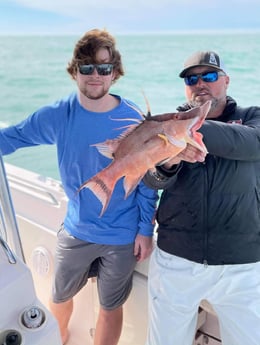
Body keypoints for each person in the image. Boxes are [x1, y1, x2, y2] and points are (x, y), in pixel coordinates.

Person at [0, 29, 158, 345]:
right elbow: (12, 137)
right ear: (75, 72)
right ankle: (57, 338)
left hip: (122, 235)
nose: (95, 75)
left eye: (104, 68)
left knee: (110, 307)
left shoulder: (134, 120)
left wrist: (143, 229)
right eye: (87, 68)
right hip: (77, 230)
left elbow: (147, 181)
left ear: (115, 73)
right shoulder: (60, 115)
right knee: (58, 298)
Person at [143, 50, 260, 345]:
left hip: (242, 264)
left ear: (226, 80)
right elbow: (151, 179)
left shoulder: (251, 118)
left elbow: (252, 143)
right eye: (191, 78)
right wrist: (168, 160)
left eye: (209, 76)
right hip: (177, 260)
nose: (200, 83)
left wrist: (185, 126)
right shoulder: (169, 128)